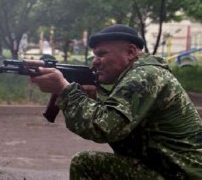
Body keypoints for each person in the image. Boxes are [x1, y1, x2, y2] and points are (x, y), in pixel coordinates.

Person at [31, 24, 202, 179]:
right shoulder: (142, 73)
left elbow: (103, 128)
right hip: (170, 168)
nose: (95, 61)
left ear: (130, 52)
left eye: (102, 54)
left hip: (181, 174)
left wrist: (65, 91)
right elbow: (119, 116)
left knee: (86, 163)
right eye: (94, 55)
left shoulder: (144, 76)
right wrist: (91, 97)